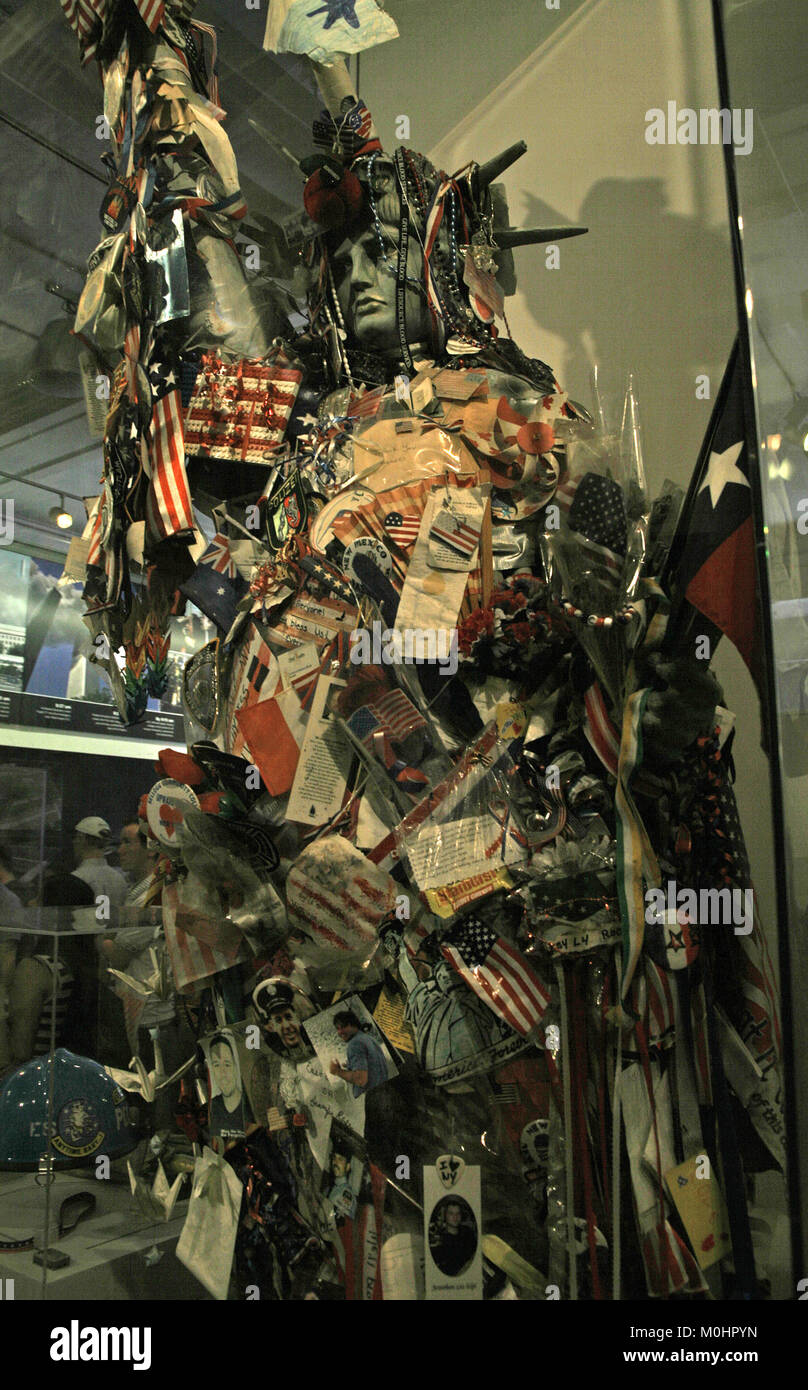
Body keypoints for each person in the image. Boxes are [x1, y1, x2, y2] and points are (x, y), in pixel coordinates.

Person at [71, 817, 128, 918]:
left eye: (76, 837)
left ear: (82, 838)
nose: (74, 842)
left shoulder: (76, 879)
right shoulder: (120, 880)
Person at [329, 1010, 389, 1097]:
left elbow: (360, 1080)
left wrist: (337, 1071)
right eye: (337, 1028)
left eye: (343, 1026)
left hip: (371, 1097)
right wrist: (350, 1065)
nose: (340, 1032)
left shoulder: (354, 1044)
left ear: (353, 1025)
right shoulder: (368, 1038)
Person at [207, 1032, 250, 1143]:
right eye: (216, 1065)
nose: (222, 1073)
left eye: (227, 1064)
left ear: (236, 1067)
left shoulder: (249, 1105)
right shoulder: (214, 1106)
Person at [429, 1198, 478, 1278]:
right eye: (451, 1214)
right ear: (445, 1216)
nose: (455, 1217)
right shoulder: (440, 1240)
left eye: (458, 1213)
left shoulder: (467, 1231)